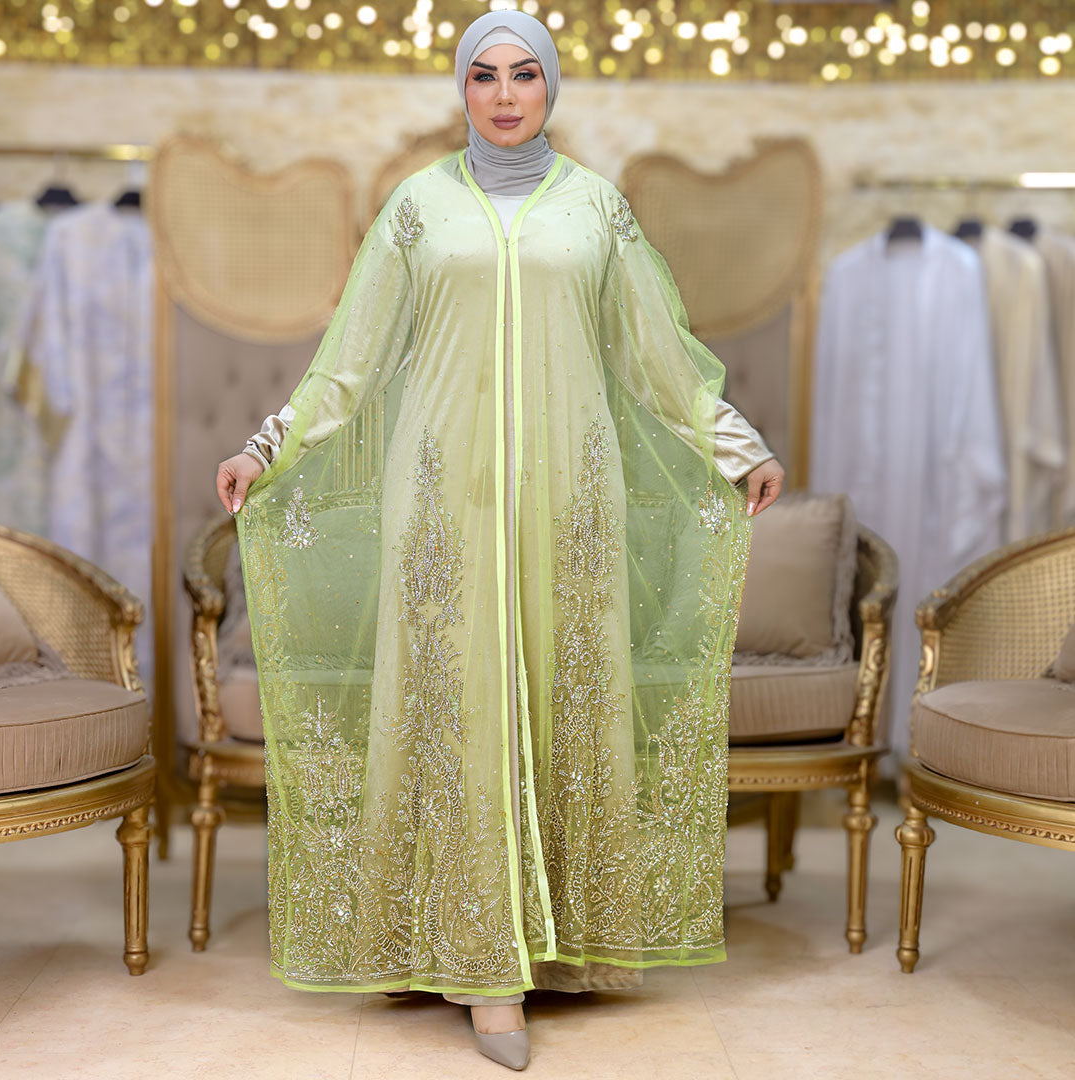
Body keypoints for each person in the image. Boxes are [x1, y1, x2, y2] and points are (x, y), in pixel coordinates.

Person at [216, 10, 784, 1072]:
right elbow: (351, 359)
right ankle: (475, 963)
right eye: (484, 75)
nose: (506, 93)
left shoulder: (596, 208)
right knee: (457, 702)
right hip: (444, 496)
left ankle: (553, 944)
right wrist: (268, 446)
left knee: (561, 696)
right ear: (463, 90)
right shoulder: (417, 207)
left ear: (550, 87)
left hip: (569, 493)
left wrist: (734, 443)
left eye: (526, 74)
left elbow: (656, 354)